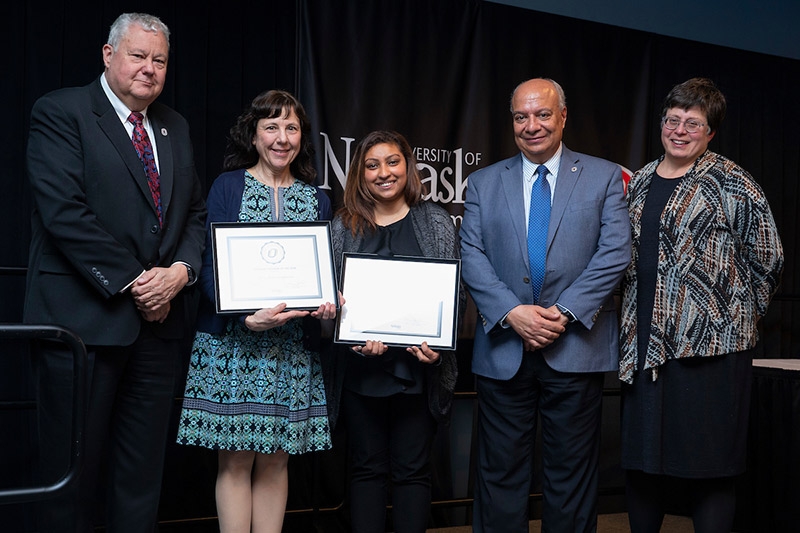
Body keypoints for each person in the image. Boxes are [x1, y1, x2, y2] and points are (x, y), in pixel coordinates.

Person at [23, 13, 207, 532]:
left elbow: (192, 215)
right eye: (138, 56)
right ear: (109, 56)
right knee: (70, 475)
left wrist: (182, 271)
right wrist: (138, 282)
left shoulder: (175, 126)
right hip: (83, 326)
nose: (149, 69)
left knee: (141, 476)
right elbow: (64, 212)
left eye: (160, 60)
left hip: (157, 331)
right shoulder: (61, 112)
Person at [459, 78, 631, 532]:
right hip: (503, 350)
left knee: (570, 477)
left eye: (542, 114)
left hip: (574, 346)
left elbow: (615, 251)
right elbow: (471, 254)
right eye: (521, 116)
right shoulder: (482, 182)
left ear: (563, 116)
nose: (531, 125)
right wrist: (513, 313)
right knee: (498, 475)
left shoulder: (605, 176)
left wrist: (565, 311)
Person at [618, 78, 783, 532]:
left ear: (711, 132)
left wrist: (730, 317)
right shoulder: (643, 179)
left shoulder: (733, 181)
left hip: (712, 353)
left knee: (711, 468)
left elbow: (768, 257)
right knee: (643, 463)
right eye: (673, 119)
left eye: (694, 123)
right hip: (646, 347)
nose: (680, 130)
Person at [176, 89, 335, 533]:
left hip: (291, 350)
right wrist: (242, 316)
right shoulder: (228, 186)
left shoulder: (318, 199)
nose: (281, 138)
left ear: (302, 137)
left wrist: (326, 303)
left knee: (276, 459)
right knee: (235, 460)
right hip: (234, 345)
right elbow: (209, 265)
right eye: (271, 127)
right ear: (254, 134)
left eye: (291, 128)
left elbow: (320, 274)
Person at [325, 130, 460, 533]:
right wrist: (349, 338)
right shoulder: (342, 224)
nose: (384, 173)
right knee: (365, 469)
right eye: (372, 165)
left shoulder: (434, 220)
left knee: (413, 472)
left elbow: (455, 292)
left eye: (393, 162)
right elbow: (331, 300)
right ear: (360, 174)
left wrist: (438, 348)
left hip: (418, 371)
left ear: (408, 167)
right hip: (360, 370)